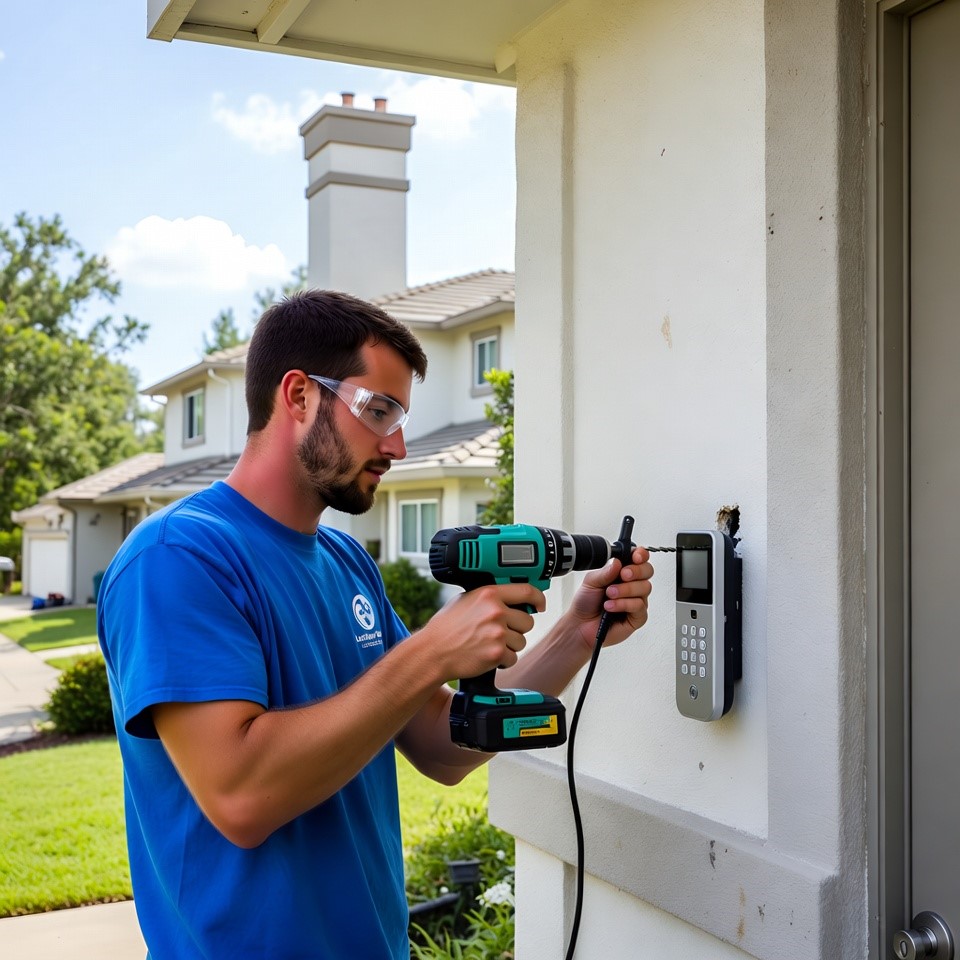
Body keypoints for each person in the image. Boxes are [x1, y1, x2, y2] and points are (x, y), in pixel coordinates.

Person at [98, 289, 653, 959]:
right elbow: (240, 798)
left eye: (401, 416)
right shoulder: (178, 558)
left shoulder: (343, 562)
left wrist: (576, 633)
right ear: (298, 396)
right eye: (378, 409)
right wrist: (429, 653)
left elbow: (445, 748)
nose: (396, 444)